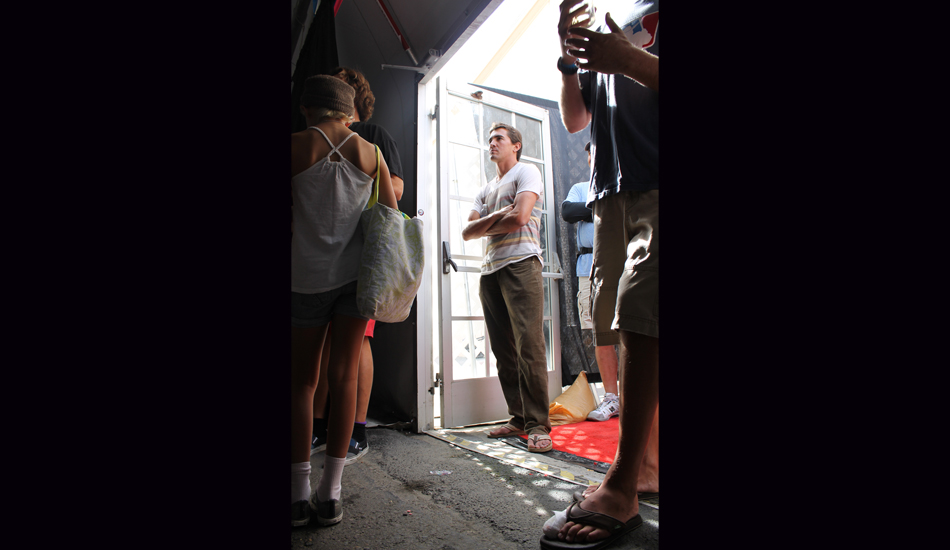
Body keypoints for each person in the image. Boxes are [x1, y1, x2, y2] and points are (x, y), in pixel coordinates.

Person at [541, 0, 659, 547]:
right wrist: (570, 59)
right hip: (611, 192)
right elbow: (574, 119)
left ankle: (628, 479)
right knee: (620, 321)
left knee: (643, 315)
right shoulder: (619, 19)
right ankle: (646, 467)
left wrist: (627, 60)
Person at [291, 75, 399, 527]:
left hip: (306, 278)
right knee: (345, 377)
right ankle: (330, 494)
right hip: (356, 283)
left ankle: (297, 496)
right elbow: (392, 217)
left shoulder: (295, 145)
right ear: (346, 111)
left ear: (308, 109)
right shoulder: (369, 152)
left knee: (301, 384)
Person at [309, 67, 405, 465]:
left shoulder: (374, 135)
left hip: (361, 253)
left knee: (359, 340)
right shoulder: (311, 139)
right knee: (322, 344)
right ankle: (316, 427)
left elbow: (395, 189)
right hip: (320, 253)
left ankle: (357, 431)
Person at [461, 122, 552, 453]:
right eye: (489, 139)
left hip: (521, 264)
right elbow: (467, 231)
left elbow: (521, 216)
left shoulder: (527, 173)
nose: (492, 144)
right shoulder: (486, 189)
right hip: (490, 271)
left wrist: (492, 221)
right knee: (504, 350)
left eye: (498, 138)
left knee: (529, 345)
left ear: (516, 145)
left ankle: (538, 424)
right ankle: (518, 418)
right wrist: (503, 211)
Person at [560, 141, 621, 422]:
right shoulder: (581, 187)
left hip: (625, 264)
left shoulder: (624, 182)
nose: (594, 156)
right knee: (600, 332)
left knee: (635, 331)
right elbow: (568, 212)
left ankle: (639, 395)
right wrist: (598, 205)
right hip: (588, 266)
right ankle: (613, 398)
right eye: (590, 152)